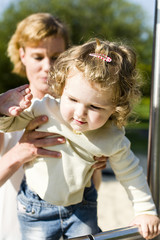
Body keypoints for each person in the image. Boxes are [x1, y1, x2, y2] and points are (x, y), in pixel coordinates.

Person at [0, 38, 160, 240]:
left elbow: (130, 174)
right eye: (73, 99)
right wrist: (4, 112)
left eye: (95, 107)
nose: (80, 113)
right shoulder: (45, 109)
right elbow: (7, 126)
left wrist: (145, 211)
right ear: (62, 87)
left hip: (82, 207)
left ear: (115, 107)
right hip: (36, 207)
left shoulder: (111, 137)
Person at [0, 13, 106, 240]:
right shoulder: (6, 110)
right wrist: (20, 153)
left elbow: (93, 186)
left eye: (56, 57)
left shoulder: (80, 115)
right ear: (23, 55)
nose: (47, 66)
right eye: (38, 56)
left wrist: (95, 162)